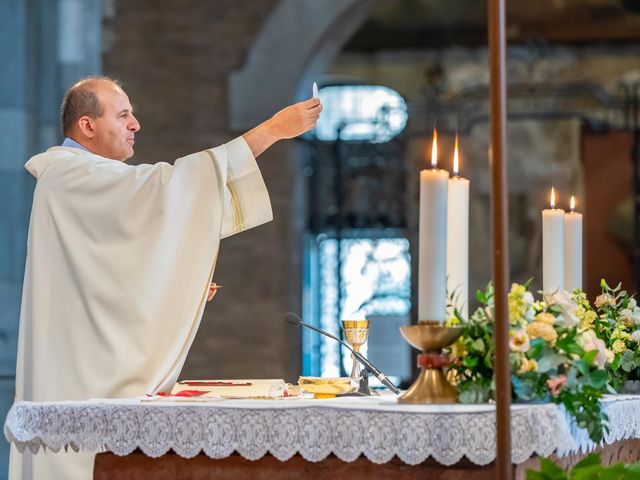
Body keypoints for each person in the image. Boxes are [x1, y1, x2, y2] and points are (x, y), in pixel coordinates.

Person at [8, 76, 322, 480]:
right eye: (123, 116)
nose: (135, 124)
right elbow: (171, 188)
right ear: (87, 126)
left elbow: (104, 275)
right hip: (78, 385)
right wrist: (272, 131)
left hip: (85, 379)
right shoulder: (70, 176)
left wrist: (178, 283)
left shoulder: (82, 178)